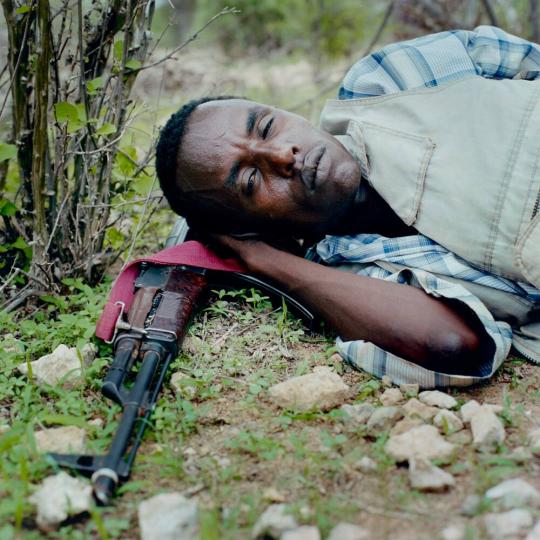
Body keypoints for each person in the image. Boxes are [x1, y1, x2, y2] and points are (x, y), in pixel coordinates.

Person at [155, 25, 540, 388]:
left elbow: (523, 58)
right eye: (251, 181)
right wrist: (261, 259)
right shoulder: (357, 273)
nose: (282, 154)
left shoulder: (385, 84)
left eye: (268, 127)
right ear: (250, 226)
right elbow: (453, 343)